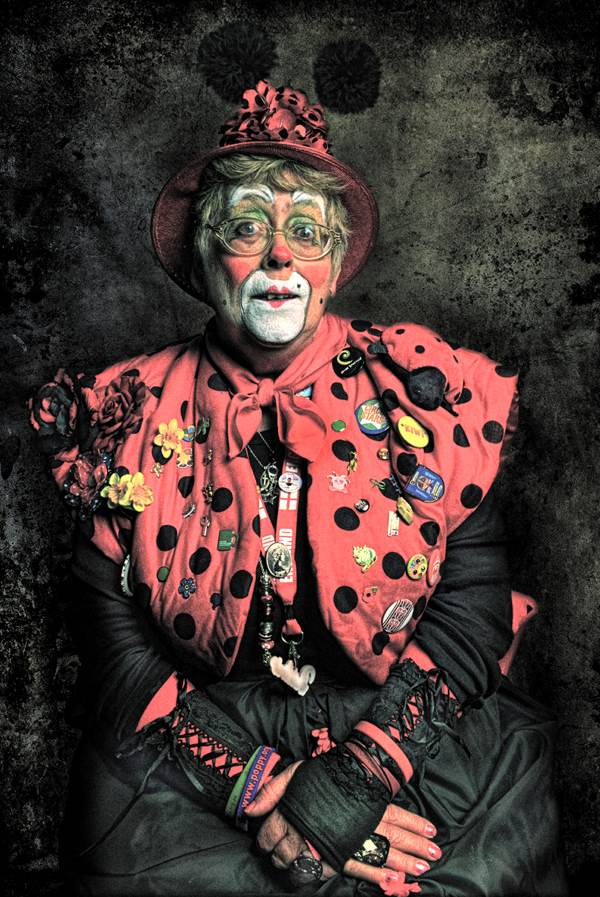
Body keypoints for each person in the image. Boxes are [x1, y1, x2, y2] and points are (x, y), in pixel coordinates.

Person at [29, 80, 567, 896]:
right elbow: (110, 641)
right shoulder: (125, 411)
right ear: (204, 257)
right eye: (248, 227)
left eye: (307, 232)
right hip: (205, 733)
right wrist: (261, 786)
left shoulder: (425, 389)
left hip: (405, 723)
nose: (280, 256)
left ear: (334, 265)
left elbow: (475, 601)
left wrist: (357, 779)